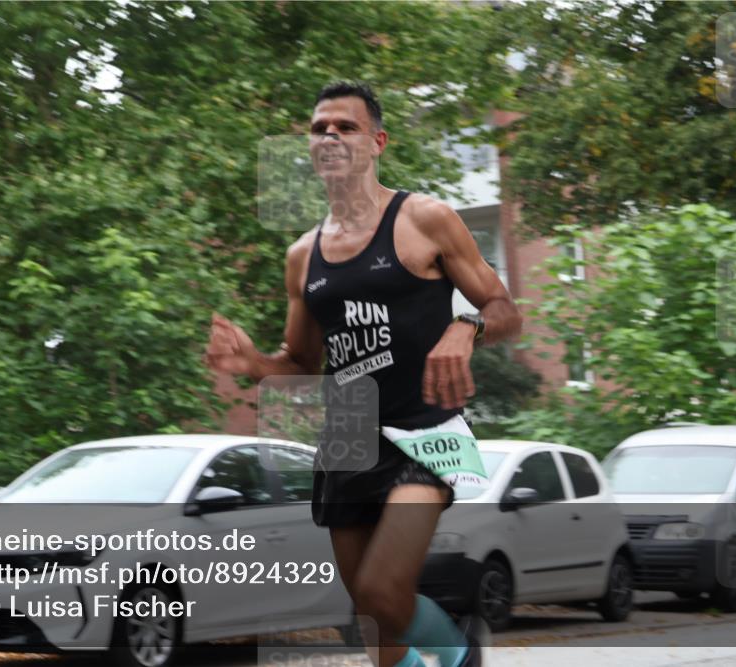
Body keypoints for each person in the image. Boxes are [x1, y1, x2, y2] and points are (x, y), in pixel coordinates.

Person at [205, 81, 522, 667]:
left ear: (376, 142)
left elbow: (505, 309)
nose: (330, 135)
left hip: (424, 428)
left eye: (345, 127)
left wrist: (464, 328)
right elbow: (301, 362)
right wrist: (252, 364)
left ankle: (458, 655)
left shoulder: (424, 218)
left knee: (381, 591)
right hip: (349, 432)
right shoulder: (303, 254)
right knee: (374, 616)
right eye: (319, 127)